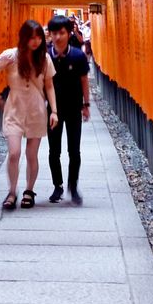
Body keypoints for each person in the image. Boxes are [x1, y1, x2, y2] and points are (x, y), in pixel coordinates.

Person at [0, 19, 59, 210]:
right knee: (14, 153)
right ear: (24, 38)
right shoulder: (11, 56)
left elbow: (49, 86)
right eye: (31, 37)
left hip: (36, 111)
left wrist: (54, 112)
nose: (35, 41)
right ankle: (11, 191)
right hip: (14, 111)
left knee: (31, 154)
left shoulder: (44, 59)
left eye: (38, 38)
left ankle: (28, 190)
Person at [45, 14, 91, 205]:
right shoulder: (46, 55)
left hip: (73, 107)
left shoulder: (78, 55)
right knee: (54, 150)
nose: (57, 37)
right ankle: (58, 186)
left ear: (68, 33)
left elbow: (84, 81)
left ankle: (73, 186)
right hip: (53, 109)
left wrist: (86, 105)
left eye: (61, 33)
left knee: (74, 150)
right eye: (54, 33)